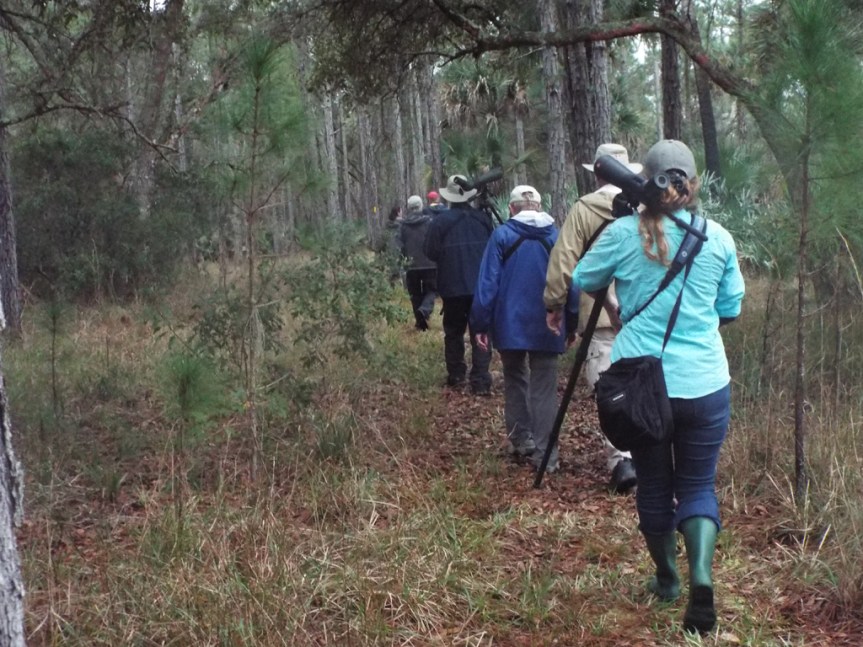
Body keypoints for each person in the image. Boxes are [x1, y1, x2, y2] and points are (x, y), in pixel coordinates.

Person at [573, 139, 745, 634]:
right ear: (692, 184)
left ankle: (667, 579)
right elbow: (730, 309)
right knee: (697, 486)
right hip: (705, 384)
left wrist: (625, 223)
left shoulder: (625, 233)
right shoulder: (719, 238)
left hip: (641, 386)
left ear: (644, 181)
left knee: (653, 484)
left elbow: (585, 277)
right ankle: (702, 577)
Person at [544, 143, 641, 494]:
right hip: (643, 314)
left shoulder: (585, 209)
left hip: (600, 316)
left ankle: (622, 460)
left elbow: (564, 259)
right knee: (643, 383)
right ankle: (646, 455)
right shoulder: (646, 207)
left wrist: (554, 305)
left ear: (597, 173)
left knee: (608, 387)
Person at [470, 185, 578, 472]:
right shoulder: (556, 237)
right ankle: (547, 455)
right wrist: (572, 321)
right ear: (539, 207)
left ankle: (521, 439)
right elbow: (572, 280)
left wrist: (480, 323)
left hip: (510, 323)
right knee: (544, 388)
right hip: (549, 322)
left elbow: (488, 283)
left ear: (512, 209)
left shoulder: (502, 236)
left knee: (515, 378)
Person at [423, 174, 494, 394]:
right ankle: (481, 380)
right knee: (480, 331)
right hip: (480, 287)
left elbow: (430, 251)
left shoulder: (439, 222)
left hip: (452, 286)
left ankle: (456, 375)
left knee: (453, 331)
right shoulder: (483, 220)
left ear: (450, 197)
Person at [398, 195, 437, 330]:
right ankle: (425, 309)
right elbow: (434, 241)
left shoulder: (402, 225)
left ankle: (420, 323)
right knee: (432, 290)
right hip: (429, 263)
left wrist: (403, 261)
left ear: (408, 208)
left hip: (411, 265)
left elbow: (400, 245)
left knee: (415, 294)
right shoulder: (430, 222)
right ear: (421, 206)